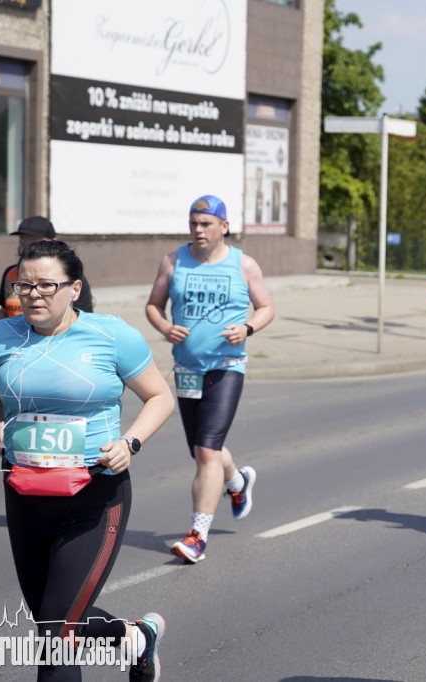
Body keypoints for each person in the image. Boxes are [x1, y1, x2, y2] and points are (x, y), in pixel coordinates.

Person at [0, 240, 174, 681]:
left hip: (94, 494)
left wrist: (131, 443)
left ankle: (136, 638)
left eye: (46, 284)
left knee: (55, 632)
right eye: (23, 284)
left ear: (74, 289)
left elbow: (160, 397)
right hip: (25, 493)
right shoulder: (1, 336)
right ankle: (137, 637)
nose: (33, 294)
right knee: (56, 617)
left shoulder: (111, 334)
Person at [146, 195, 274, 563]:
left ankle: (197, 536)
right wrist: (165, 327)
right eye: (193, 223)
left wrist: (247, 328)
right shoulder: (172, 262)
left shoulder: (243, 265)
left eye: (205, 224)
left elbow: (266, 308)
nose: (198, 230)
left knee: (206, 450)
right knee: (204, 450)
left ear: (224, 227)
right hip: (187, 368)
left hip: (226, 365)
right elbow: (153, 305)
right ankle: (237, 482)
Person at [0, 216, 95, 454]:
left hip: (55, 365)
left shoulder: (68, 280)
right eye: (23, 239)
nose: (26, 245)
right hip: (15, 357)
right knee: (11, 451)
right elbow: (3, 311)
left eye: (33, 240)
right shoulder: (10, 274)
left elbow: (81, 321)